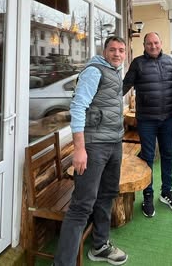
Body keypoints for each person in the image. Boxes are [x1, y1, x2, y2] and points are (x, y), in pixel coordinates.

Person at [54, 36, 128, 266]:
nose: (117, 54)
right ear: (104, 51)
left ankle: (100, 246)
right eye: (113, 49)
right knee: (81, 206)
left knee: (106, 195)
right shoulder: (95, 71)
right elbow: (78, 107)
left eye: (121, 50)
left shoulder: (114, 71)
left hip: (113, 143)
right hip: (94, 147)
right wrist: (79, 149)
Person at [122, 32, 172, 217]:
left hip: (167, 118)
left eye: (156, 43)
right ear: (144, 46)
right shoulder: (138, 63)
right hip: (146, 119)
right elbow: (124, 86)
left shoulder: (170, 62)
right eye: (149, 43)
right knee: (147, 157)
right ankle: (148, 195)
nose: (153, 46)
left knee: (168, 154)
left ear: (161, 43)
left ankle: (166, 192)